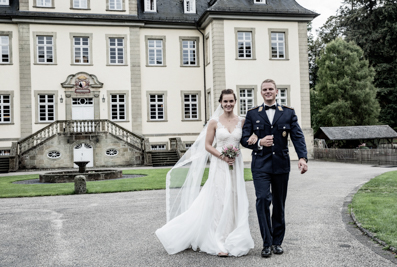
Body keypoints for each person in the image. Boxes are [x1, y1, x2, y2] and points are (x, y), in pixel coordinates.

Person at [155, 89, 255, 257]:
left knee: (234, 197)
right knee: (219, 198)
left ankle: (233, 236)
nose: (228, 104)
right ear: (221, 102)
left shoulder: (242, 121)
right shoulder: (214, 122)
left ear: (235, 101)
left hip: (235, 164)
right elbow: (208, 145)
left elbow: (246, 138)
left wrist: (253, 136)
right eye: (225, 101)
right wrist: (222, 156)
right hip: (220, 163)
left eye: (231, 101)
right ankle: (219, 240)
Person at [241, 79, 308, 258]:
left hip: (281, 165)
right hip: (260, 165)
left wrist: (302, 158)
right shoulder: (253, 114)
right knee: (262, 199)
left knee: (279, 204)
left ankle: (277, 242)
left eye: (271, 89)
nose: (268, 92)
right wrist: (259, 143)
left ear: (276, 92)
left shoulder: (288, 113)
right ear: (261, 93)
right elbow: (244, 138)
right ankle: (266, 242)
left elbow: (298, 137)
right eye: (265, 89)